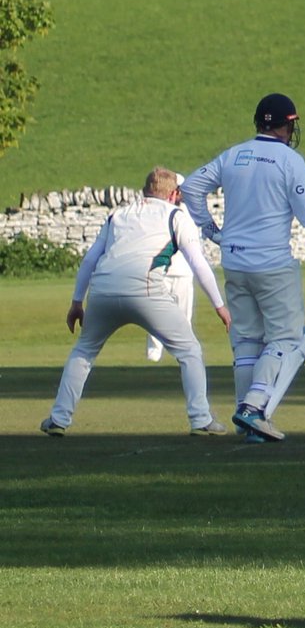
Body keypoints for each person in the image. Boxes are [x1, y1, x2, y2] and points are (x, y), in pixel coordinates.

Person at [182, 92, 305, 443]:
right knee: (286, 339)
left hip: (235, 262)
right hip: (272, 263)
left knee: (246, 342)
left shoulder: (234, 155)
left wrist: (213, 231)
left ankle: (249, 425)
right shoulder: (290, 161)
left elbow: (190, 187)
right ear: (287, 125)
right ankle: (254, 408)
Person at [40, 167, 231, 437]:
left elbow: (90, 260)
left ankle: (59, 418)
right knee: (189, 351)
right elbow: (197, 263)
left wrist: (76, 302)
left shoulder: (117, 215)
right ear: (174, 194)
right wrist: (219, 305)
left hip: (103, 290)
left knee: (83, 351)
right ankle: (200, 419)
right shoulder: (176, 215)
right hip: (146, 290)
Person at [145, 173, 194, 364]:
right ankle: (153, 353)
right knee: (155, 313)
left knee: (183, 316)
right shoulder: (159, 211)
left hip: (183, 272)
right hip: (161, 270)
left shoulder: (187, 212)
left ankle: (184, 352)